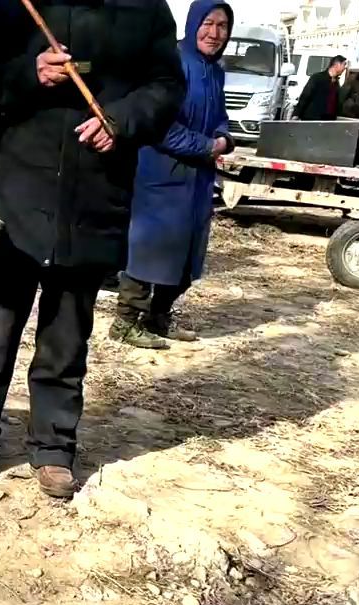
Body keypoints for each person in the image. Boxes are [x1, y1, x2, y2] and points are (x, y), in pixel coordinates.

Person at [0, 0, 186, 497]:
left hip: (94, 199)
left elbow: (166, 88)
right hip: (17, 199)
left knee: (67, 338)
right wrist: (29, 74)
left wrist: (119, 120)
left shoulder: (146, 9)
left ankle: (54, 447)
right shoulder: (15, 6)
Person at [110, 0, 234, 349]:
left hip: (199, 178)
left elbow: (220, 117)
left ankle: (159, 315)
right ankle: (125, 322)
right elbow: (159, 125)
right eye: (208, 23)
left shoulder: (216, 70)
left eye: (222, 26)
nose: (214, 33)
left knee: (188, 252)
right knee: (149, 248)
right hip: (161, 172)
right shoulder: (172, 62)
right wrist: (207, 147)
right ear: (193, 23)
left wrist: (225, 138)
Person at [294, 55, 348, 121]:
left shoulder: (336, 82)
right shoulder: (317, 78)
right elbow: (306, 95)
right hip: (313, 117)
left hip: (329, 119)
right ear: (336, 64)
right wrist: (296, 113)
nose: (345, 68)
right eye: (344, 64)